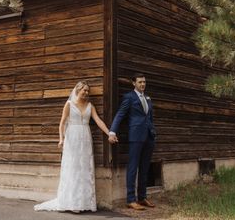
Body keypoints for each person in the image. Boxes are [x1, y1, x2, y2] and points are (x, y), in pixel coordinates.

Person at [34, 80, 111, 212]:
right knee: (73, 168)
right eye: (84, 90)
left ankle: (83, 202)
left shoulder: (90, 106)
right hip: (72, 138)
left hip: (85, 138)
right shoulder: (69, 104)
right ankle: (71, 202)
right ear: (77, 90)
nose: (86, 93)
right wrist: (61, 139)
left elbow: (98, 120)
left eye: (88, 91)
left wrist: (109, 133)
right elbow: (62, 123)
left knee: (84, 169)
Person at [108, 73, 157, 211]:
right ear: (133, 83)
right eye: (140, 82)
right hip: (135, 136)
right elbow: (120, 114)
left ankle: (142, 197)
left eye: (144, 82)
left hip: (149, 137)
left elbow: (150, 117)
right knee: (133, 167)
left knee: (145, 168)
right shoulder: (129, 97)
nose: (143, 84)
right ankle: (131, 199)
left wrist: (153, 131)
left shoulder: (148, 98)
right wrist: (112, 132)